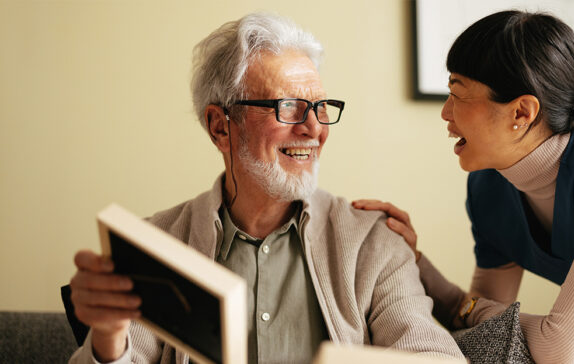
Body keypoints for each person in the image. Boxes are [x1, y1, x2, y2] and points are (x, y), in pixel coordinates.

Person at [68, 13, 463, 364]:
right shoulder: (157, 244)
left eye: (320, 107)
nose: (313, 129)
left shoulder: (373, 240)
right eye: (288, 106)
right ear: (221, 126)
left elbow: (431, 354)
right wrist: (108, 336)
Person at [353, 10, 574, 364]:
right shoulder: (489, 185)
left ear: (521, 112)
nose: (445, 112)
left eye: (458, 93)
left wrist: (469, 309)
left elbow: (558, 347)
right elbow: (485, 335)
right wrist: (412, 260)